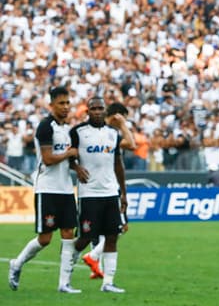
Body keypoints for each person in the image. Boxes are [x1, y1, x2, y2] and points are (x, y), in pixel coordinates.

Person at [8, 87, 80, 293]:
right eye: (61, 103)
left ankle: (64, 284)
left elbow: (68, 158)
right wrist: (70, 154)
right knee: (45, 238)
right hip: (47, 188)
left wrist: (77, 167)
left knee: (68, 233)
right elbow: (48, 160)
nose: (66, 107)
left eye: (68, 103)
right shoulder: (45, 127)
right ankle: (17, 263)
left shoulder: (68, 129)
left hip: (66, 189)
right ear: (52, 105)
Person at [68, 96, 128, 293]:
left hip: (110, 192)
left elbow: (118, 164)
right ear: (87, 111)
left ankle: (108, 282)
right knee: (85, 237)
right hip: (89, 194)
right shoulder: (77, 132)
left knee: (112, 236)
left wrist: (123, 194)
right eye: (93, 108)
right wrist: (76, 167)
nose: (96, 111)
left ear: (105, 111)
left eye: (100, 108)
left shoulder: (113, 133)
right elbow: (69, 156)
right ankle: (66, 275)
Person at [81, 102, 136, 280]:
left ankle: (95, 266)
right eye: (123, 118)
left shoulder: (102, 134)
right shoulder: (108, 135)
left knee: (100, 231)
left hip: (100, 186)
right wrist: (122, 125)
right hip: (108, 186)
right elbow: (132, 144)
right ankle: (93, 257)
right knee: (118, 228)